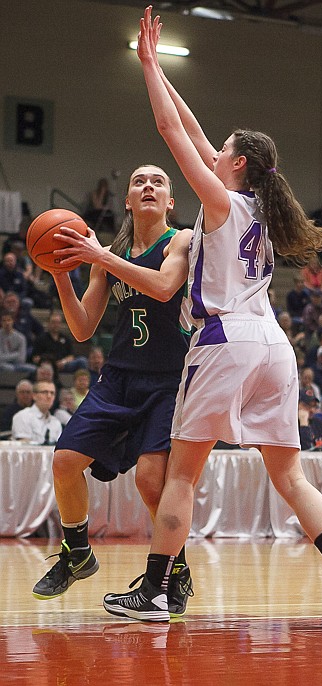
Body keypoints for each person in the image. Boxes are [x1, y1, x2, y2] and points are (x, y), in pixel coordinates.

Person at [104, 8, 322, 625]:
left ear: (237, 164)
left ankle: (153, 592)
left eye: (221, 152)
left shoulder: (222, 203)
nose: (212, 151)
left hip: (223, 340)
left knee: (181, 475)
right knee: (291, 477)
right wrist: (160, 65)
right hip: (274, 348)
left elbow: (174, 133)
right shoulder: (262, 213)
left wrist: (148, 69)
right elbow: (195, 130)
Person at [30, 163, 193, 618]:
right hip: (118, 377)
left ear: (170, 201)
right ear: (127, 200)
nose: (148, 186)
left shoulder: (179, 240)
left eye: (158, 182)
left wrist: (98, 257)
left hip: (166, 381)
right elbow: (83, 328)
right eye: (139, 181)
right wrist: (60, 271)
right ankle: (77, 553)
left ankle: (173, 572)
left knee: (150, 481)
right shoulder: (114, 250)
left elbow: (163, 288)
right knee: (64, 463)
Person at [11, 380, 61, 445]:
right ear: (34, 396)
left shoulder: (56, 422)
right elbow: (24, 446)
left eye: (52, 393)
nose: (49, 396)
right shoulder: (22, 416)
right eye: (45, 392)